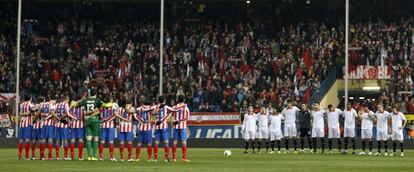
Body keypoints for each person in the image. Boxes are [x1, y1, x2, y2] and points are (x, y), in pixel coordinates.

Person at [72, 88, 109, 161]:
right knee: (95, 138)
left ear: (90, 93)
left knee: (88, 138)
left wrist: (73, 102)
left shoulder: (85, 100)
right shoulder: (98, 101)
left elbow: (75, 105)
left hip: (87, 121)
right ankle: (94, 156)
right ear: (96, 94)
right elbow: (106, 106)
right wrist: (111, 103)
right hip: (95, 121)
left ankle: (89, 156)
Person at [153, 96, 177, 162]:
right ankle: (166, 158)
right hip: (164, 127)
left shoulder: (156, 106)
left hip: (157, 127)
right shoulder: (166, 107)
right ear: (165, 100)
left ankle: (155, 159)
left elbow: (152, 112)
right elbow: (174, 110)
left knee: (156, 142)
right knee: (166, 142)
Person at [171, 95, 191, 162]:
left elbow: (171, 115)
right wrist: (180, 121)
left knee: (175, 142)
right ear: (184, 100)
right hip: (182, 127)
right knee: (184, 141)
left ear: (178, 99)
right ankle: (184, 158)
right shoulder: (186, 108)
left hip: (176, 127)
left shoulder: (174, 107)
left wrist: (173, 123)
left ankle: (174, 158)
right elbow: (187, 117)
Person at [99, 97, 118, 161]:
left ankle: (101, 157)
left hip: (104, 125)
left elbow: (101, 115)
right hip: (110, 125)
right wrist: (108, 119)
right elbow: (115, 115)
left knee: (102, 141)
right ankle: (111, 157)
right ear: (110, 100)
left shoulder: (102, 106)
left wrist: (104, 119)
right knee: (111, 141)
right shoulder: (114, 106)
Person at [18, 95, 36, 160]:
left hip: (21, 124)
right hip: (28, 124)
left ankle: (20, 156)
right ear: (30, 98)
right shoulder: (30, 104)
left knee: (21, 140)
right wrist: (37, 106)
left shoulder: (21, 104)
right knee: (27, 140)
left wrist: (23, 114)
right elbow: (32, 110)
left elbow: (20, 113)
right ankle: (26, 156)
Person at [68, 96, 85, 160]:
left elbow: (69, 113)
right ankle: (80, 156)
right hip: (80, 125)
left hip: (73, 124)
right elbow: (84, 114)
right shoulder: (82, 106)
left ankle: (72, 156)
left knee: (73, 140)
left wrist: (72, 119)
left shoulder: (71, 106)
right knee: (80, 140)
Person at [54, 95, 71, 160]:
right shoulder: (66, 104)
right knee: (65, 139)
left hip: (58, 124)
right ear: (66, 99)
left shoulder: (57, 105)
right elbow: (67, 114)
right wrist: (61, 118)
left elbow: (54, 113)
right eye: (68, 99)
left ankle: (57, 157)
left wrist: (58, 118)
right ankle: (65, 156)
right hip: (64, 124)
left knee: (57, 140)